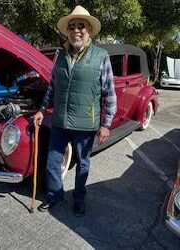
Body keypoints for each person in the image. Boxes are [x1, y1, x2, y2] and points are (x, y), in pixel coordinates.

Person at [34, 5, 117, 216]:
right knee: (52, 162)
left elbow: (109, 93)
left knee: (83, 164)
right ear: (67, 30)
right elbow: (52, 86)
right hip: (60, 121)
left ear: (89, 29)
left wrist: (106, 124)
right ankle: (55, 195)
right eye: (72, 26)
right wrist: (43, 109)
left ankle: (79, 198)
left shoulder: (101, 56)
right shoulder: (60, 56)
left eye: (81, 25)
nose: (76, 30)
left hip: (85, 123)